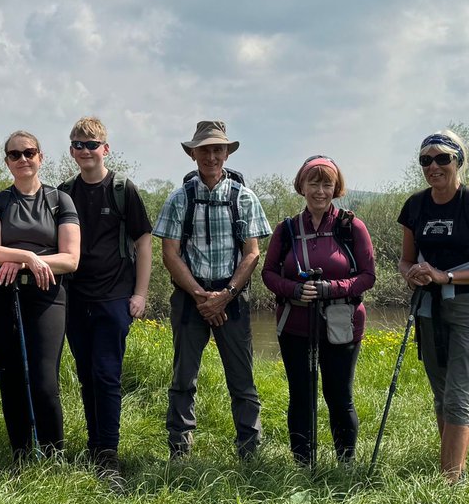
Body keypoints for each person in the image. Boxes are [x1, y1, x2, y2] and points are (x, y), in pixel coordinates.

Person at [153, 120, 272, 459]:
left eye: (217, 149)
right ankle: (180, 450)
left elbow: (252, 254)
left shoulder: (243, 197)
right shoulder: (179, 199)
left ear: (226, 153)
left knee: (242, 378)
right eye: (204, 150)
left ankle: (249, 451)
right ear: (193, 155)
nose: (211, 156)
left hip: (231, 298)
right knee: (183, 377)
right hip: (190, 298)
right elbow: (170, 254)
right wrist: (200, 296)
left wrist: (225, 295)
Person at [398, 129, 469, 482]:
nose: (434, 166)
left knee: (458, 397)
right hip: (430, 308)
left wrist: (446, 277)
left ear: (458, 161)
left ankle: (449, 483)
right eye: (426, 160)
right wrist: (412, 274)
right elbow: (405, 260)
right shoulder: (415, 206)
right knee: (442, 394)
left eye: (442, 158)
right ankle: (449, 469)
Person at [261, 156, 376, 466]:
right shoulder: (287, 229)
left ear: (336, 188)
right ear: (302, 186)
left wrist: (330, 289)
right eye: (314, 183)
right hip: (295, 325)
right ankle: (303, 465)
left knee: (339, 396)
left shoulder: (352, 227)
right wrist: (293, 290)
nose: (320, 191)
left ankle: (345, 464)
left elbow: (368, 277)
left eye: (327, 184)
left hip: (342, 325)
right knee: (301, 396)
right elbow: (268, 273)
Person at [59, 117, 154, 479]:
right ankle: (94, 444)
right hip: (74, 296)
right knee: (87, 375)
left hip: (114, 296)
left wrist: (140, 294)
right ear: (71, 151)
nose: (85, 151)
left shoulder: (122, 189)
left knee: (107, 374)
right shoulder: (64, 192)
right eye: (78, 145)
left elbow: (144, 242)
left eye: (92, 145)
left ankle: (109, 453)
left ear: (105, 149)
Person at [0, 131, 80, 459]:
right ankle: (20, 455)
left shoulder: (59, 200)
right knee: (10, 377)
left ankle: (53, 456)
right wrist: (27, 257)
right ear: (7, 162)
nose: (23, 159)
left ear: (40, 157)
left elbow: (71, 259)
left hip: (47, 294)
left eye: (29, 152)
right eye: (15, 154)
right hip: (0, 294)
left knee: (44, 380)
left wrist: (24, 261)